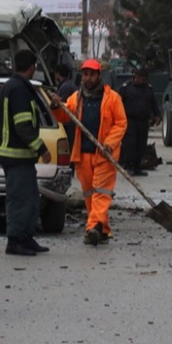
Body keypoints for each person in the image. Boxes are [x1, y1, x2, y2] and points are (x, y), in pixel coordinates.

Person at [50, 59, 127, 246]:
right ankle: (102, 228)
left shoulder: (112, 98)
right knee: (90, 195)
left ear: (99, 76)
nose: (88, 78)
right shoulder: (76, 98)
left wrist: (109, 143)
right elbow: (64, 117)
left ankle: (92, 227)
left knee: (101, 193)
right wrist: (56, 106)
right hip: (83, 154)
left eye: (92, 74)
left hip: (104, 154)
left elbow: (121, 123)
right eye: (85, 74)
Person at [0, 50, 53, 257]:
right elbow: (23, 126)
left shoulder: (13, 86)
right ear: (32, 67)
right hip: (16, 156)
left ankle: (26, 237)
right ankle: (15, 240)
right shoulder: (19, 90)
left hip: (20, 157)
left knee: (30, 199)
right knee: (19, 199)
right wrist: (41, 148)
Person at [120, 68, 162, 176]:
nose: (144, 82)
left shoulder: (148, 88)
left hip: (143, 121)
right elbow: (118, 103)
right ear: (136, 77)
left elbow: (153, 103)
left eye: (145, 80)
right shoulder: (126, 87)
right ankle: (129, 166)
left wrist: (157, 115)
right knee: (130, 144)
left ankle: (138, 167)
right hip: (130, 120)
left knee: (141, 145)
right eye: (142, 79)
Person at [54, 63, 78, 152]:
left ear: (58, 74)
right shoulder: (68, 85)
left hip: (69, 123)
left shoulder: (65, 87)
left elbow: (62, 106)